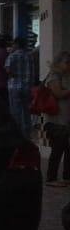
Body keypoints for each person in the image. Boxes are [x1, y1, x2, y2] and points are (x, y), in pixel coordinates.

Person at [44, 52, 70, 187]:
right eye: (67, 63)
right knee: (58, 148)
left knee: (66, 147)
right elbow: (58, 93)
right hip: (56, 120)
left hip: (64, 119)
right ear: (59, 63)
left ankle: (67, 176)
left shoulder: (65, 76)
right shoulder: (54, 76)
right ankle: (51, 177)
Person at [6, 37, 37, 139]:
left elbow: (7, 69)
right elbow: (33, 71)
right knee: (26, 110)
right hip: (27, 86)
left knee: (15, 110)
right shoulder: (29, 56)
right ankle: (27, 132)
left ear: (17, 44)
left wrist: (13, 75)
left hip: (14, 86)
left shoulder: (12, 56)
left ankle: (17, 133)